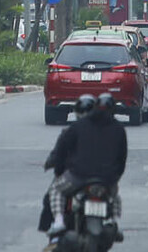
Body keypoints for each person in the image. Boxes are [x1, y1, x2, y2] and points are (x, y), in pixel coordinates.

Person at [43, 92, 129, 238]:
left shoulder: (78, 126)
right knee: (115, 195)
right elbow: (121, 159)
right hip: (107, 179)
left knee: (56, 189)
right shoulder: (119, 129)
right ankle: (114, 222)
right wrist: (115, 177)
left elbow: (61, 151)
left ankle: (58, 221)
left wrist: (58, 171)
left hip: (79, 176)